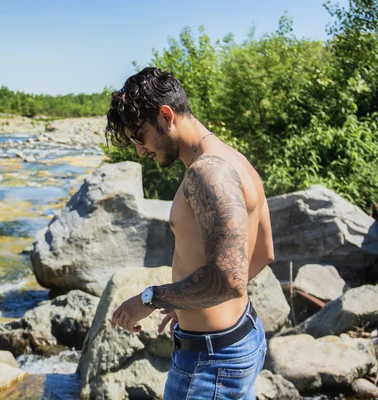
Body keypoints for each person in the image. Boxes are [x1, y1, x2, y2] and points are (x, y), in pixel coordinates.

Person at [107, 67, 274, 400]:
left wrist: (150, 299)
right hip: (239, 337)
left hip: (210, 364)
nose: (140, 151)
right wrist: (189, 302)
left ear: (166, 115)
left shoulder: (207, 173)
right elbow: (264, 253)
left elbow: (228, 280)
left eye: (140, 138)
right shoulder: (233, 158)